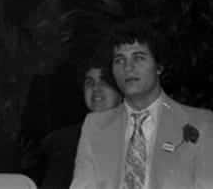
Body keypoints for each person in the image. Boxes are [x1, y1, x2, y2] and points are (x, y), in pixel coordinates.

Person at [70, 19, 213, 189]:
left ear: (159, 66)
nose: (128, 68)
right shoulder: (95, 126)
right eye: (119, 60)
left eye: (138, 58)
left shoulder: (200, 123)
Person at [38, 53, 122, 188]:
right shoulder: (64, 141)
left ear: (121, 90)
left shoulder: (140, 132)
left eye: (105, 82)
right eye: (90, 82)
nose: (96, 89)